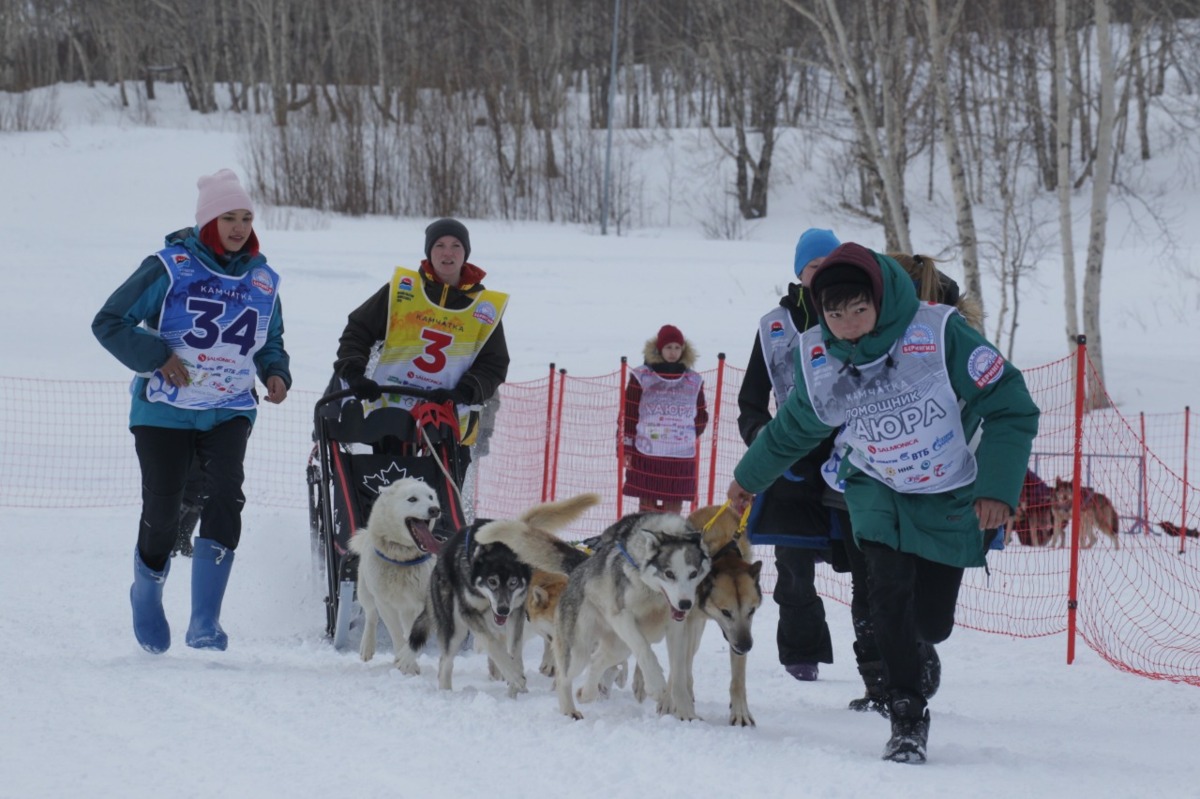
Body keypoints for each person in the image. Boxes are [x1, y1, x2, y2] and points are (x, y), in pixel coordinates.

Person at [727, 242, 1038, 764]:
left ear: (877, 300)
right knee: (885, 597)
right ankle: (906, 717)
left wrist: (997, 488)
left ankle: (917, 649)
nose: (846, 323)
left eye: (858, 310)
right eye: (834, 312)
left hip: (948, 488)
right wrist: (747, 478)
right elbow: (795, 426)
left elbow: (1010, 403)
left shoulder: (938, 332)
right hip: (874, 487)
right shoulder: (818, 356)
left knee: (931, 622)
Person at [92, 168, 291, 654]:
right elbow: (109, 322)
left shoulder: (263, 279)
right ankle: (146, 592)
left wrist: (275, 371)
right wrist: (158, 356)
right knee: (164, 508)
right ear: (208, 221)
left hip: (229, 410)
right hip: (164, 412)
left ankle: (205, 619)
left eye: (246, 217)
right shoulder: (170, 266)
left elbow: (270, 340)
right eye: (229, 218)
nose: (240, 227)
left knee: (226, 495)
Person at [332, 218, 509, 487]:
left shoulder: (483, 307)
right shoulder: (403, 290)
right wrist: (354, 372)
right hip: (391, 412)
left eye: (455, 245)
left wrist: (464, 392)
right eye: (439, 245)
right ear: (429, 252)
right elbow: (359, 329)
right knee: (392, 495)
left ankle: (446, 530)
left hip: (449, 417)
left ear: (465, 253)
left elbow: (494, 364)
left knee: (443, 502)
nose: (447, 252)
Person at [737, 227, 841, 682]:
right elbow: (750, 403)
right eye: (814, 267)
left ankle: (877, 662)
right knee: (793, 567)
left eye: (829, 266)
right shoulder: (773, 327)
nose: (821, 275)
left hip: (848, 461)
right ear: (799, 272)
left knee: (867, 563)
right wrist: (764, 438)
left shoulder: (855, 314)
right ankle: (802, 651)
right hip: (790, 462)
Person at [621, 325, 708, 514]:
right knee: (647, 510)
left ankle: (670, 540)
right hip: (646, 454)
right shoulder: (641, 376)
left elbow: (701, 415)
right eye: (668, 347)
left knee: (673, 510)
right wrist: (626, 447)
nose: (673, 352)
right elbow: (628, 414)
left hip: (679, 456)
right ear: (659, 348)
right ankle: (645, 541)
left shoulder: (693, 380)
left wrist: (687, 433)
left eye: (677, 348)